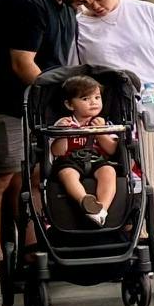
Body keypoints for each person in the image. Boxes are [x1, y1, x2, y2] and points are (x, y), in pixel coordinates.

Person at [0, 0, 115, 259]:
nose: (90, 0)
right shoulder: (29, 0)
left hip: (21, 104)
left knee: (24, 176)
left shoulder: (66, 5)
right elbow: (23, 64)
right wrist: (61, 102)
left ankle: (30, 250)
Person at [74, 0, 154, 265]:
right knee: (117, 166)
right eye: (87, 0)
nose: (95, 5)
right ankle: (127, 234)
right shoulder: (79, 24)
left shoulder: (147, 12)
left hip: (149, 93)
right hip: (105, 101)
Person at [44, 72, 124, 220]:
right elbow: (57, 151)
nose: (93, 102)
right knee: (67, 174)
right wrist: (64, 133)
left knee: (109, 172)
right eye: (85, 99)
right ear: (70, 104)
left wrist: (100, 132)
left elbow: (112, 149)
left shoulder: (104, 123)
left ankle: (101, 211)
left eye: (97, 97)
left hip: (96, 159)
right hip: (69, 160)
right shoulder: (64, 123)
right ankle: (84, 200)